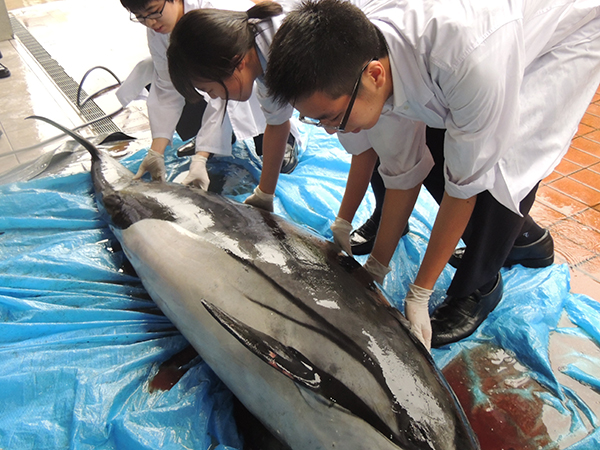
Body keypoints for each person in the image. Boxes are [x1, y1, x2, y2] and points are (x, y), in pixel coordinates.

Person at [265, 0, 600, 349]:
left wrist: (420, 292)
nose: (331, 132)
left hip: (562, 31)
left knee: (503, 165)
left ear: (375, 75)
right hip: (480, 45)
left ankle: (480, 285)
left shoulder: (468, 60)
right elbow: (402, 170)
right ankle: (527, 240)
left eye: (332, 117)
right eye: (317, 121)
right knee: (441, 147)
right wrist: (376, 267)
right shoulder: (369, 54)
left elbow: (464, 186)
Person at [118, 0, 298, 191]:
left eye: (153, 12)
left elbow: (223, 97)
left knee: (255, 98)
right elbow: (166, 85)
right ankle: (220, 139)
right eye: (140, 17)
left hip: (246, 76)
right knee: (158, 71)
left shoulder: (212, 12)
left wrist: (201, 156)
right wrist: (156, 151)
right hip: (230, 78)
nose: (151, 23)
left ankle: (278, 140)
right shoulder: (158, 32)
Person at [166, 1, 300, 211]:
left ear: (237, 63)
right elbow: (277, 123)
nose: (214, 97)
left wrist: (343, 222)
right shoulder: (259, 59)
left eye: (210, 90)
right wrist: (264, 194)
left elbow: (361, 143)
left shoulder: (293, 58)